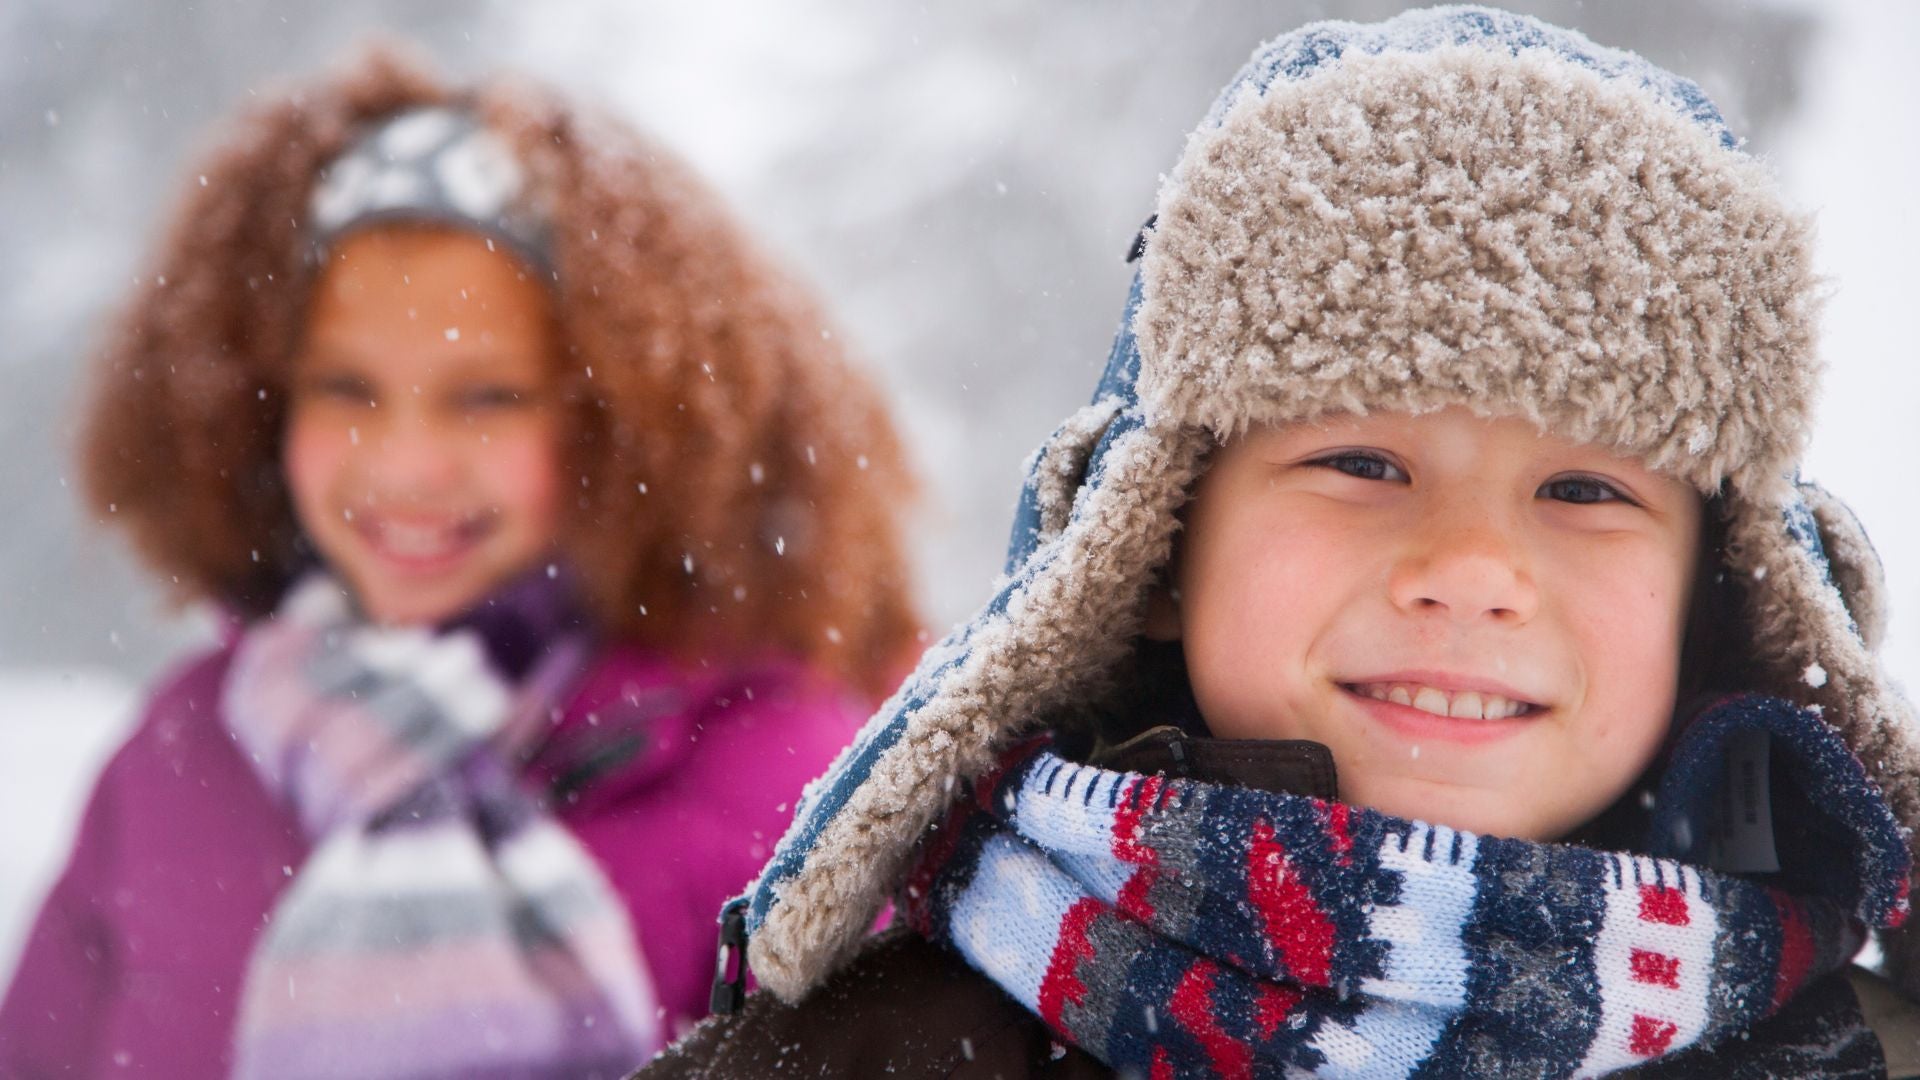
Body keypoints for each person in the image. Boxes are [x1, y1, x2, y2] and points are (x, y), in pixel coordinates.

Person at [637, 7, 1920, 1078]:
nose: (1473, 569)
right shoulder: (877, 1053)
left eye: (1585, 491)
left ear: (1717, 595)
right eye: (1362, 465)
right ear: (1151, 554)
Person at [0, 44, 920, 1080]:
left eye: (486, 397)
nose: (406, 465)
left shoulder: (793, 789)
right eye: (347, 388)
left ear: (620, 428)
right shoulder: (182, 753)